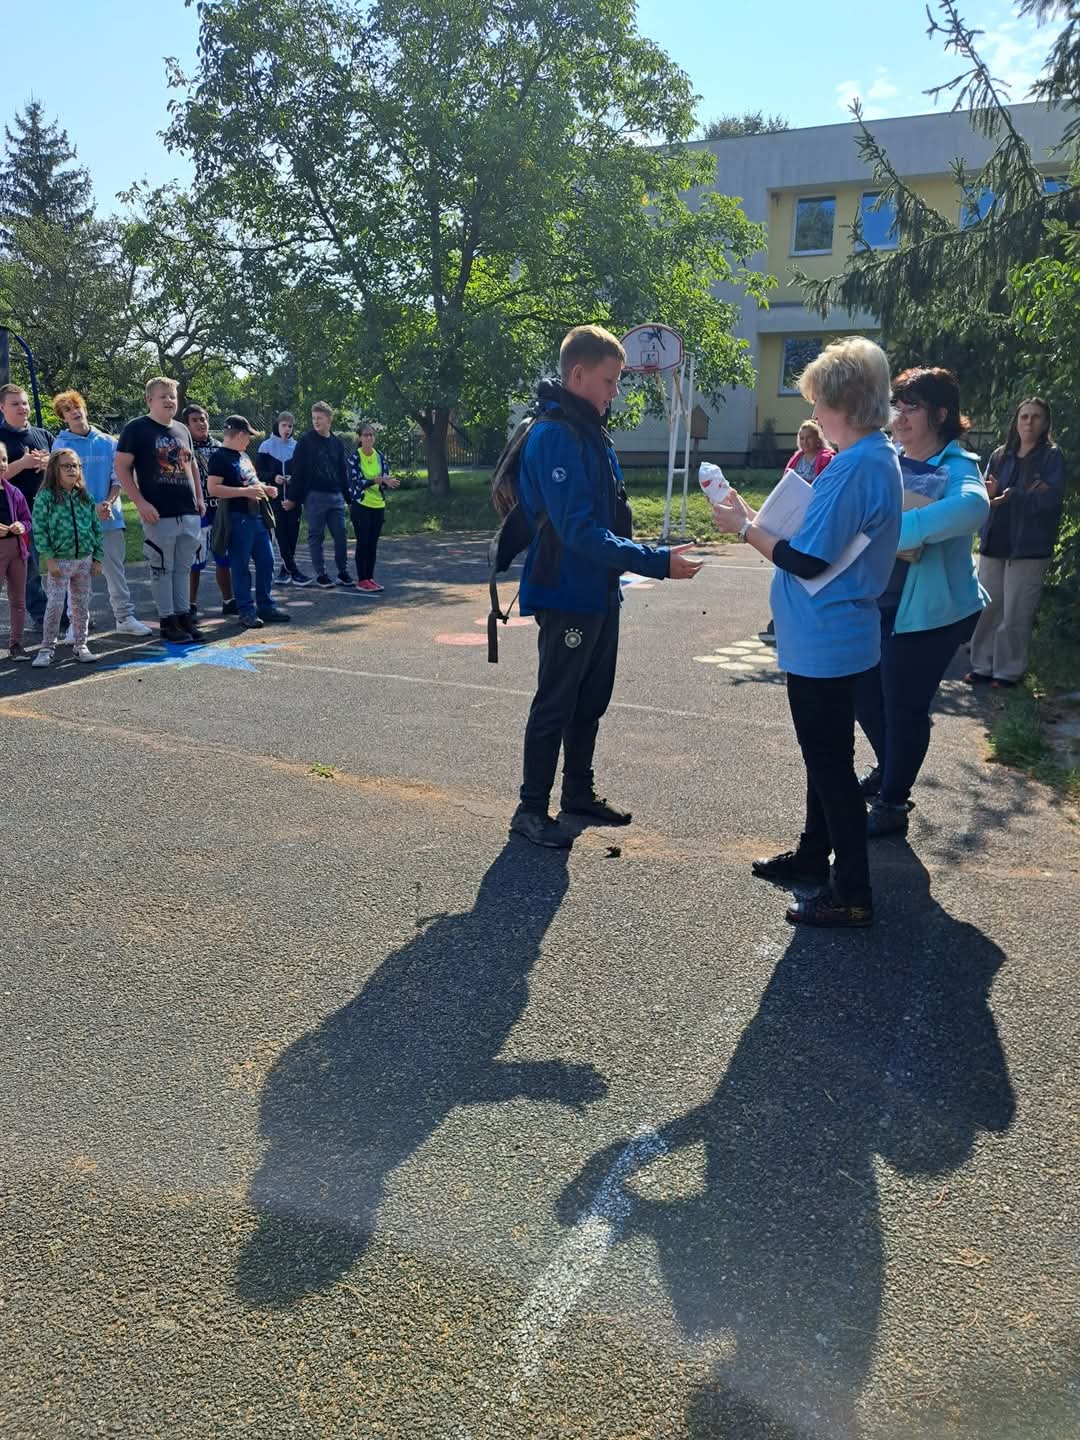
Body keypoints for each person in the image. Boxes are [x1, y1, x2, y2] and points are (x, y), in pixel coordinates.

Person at [712, 336, 902, 928]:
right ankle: (813, 857)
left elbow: (808, 560)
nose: (813, 412)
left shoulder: (852, 467)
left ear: (845, 402)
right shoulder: (875, 457)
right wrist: (757, 521)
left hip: (825, 637)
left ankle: (852, 892)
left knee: (829, 766)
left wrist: (744, 527)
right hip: (838, 634)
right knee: (829, 758)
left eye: (819, 400)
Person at [510, 324, 703, 849]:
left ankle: (577, 792)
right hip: (566, 590)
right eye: (609, 381)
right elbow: (577, 531)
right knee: (555, 701)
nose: (614, 392)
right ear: (578, 375)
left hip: (598, 590)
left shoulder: (589, 428)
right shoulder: (555, 435)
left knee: (591, 698)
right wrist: (655, 561)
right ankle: (530, 809)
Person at [854, 367, 989, 837]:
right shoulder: (889, 458)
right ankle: (891, 766)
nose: (900, 415)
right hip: (879, 603)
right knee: (864, 694)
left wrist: (900, 532)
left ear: (941, 414)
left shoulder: (958, 464)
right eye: (897, 404)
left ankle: (893, 802)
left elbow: (974, 507)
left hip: (933, 613)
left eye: (913, 406)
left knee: (903, 705)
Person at [967, 396, 1065, 689]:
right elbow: (984, 492)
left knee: (1016, 613)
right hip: (995, 541)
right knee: (987, 609)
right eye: (1024, 416)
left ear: (1045, 423)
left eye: (1036, 417)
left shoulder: (1051, 457)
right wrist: (1005, 494)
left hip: (1029, 547)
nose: (1029, 422)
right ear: (1016, 421)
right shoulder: (1001, 454)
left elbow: (1050, 500)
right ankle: (982, 666)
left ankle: (1007, 672)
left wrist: (1012, 495)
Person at [51, 390, 153, 640]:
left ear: (84, 409)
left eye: (77, 407)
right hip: (76, 523)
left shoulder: (108, 442)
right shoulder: (60, 445)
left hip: (109, 518)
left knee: (115, 573)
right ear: (64, 418)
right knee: (77, 576)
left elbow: (118, 477)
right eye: (67, 410)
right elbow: (62, 484)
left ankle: (124, 618)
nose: (74, 412)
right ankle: (77, 624)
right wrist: (90, 508)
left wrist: (107, 502)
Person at [116, 378, 206, 644]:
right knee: (162, 568)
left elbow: (192, 465)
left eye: (173, 396)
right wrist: (140, 503)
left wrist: (199, 497)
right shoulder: (136, 428)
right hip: (159, 511)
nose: (169, 400)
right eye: (163, 396)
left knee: (183, 568)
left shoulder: (182, 429)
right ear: (149, 400)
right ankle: (167, 621)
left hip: (187, 510)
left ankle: (183, 616)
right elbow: (121, 467)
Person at [206, 415, 291, 630]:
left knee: (267, 561)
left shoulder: (243, 455)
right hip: (237, 517)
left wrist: (265, 488)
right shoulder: (219, 457)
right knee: (240, 565)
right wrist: (245, 492)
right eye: (248, 436)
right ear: (239, 435)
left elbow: (251, 481)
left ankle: (266, 606)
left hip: (257, 515)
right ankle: (246, 610)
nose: (249, 441)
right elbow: (213, 488)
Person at [760, 421, 837, 644]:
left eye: (808, 437)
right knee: (787, 558)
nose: (804, 442)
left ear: (818, 438)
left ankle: (807, 607)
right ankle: (786, 606)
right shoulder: (796, 458)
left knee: (806, 561)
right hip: (793, 514)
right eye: (801, 438)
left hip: (812, 515)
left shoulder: (827, 458)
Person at [30, 448, 103, 667]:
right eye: (67, 466)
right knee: (54, 605)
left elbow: (95, 528)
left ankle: (81, 645)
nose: (72, 470)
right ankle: (47, 648)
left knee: (81, 605)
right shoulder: (46, 497)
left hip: (84, 560)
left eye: (76, 466)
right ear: (55, 469)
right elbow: (39, 529)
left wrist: (98, 557)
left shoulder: (85, 497)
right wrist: (49, 558)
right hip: (59, 561)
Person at [0, 382, 53, 627]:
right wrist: (22, 464)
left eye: (25, 402)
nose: (22, 407)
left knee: (63, 564)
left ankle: (66, 614)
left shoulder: (44, 435)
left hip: (50, 512)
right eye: (15, 404)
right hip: (18, 517)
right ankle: (41, 616)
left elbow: (67, 469)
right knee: (30, 569)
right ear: (2, 407)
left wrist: (49, 465)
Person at [285, 402, 352, 589]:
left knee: (341, 534)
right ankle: (321, 574)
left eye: (319, 418)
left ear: (329, 419)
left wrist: (348, 498)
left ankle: (343, 572)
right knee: (316, 535)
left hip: (336, 496)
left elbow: (342, 472)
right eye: (313, 418)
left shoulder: (336, 443)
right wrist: (293, 498)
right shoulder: (306, 441)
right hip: (314, 496)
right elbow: (297, 471)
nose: (316, 421)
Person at [182, 403, 236, 619]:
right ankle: (190, 604)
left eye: (203, 419)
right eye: (195, 420)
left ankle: (228, 601)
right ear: (186, 425)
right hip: (197, 512)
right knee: (195, 561)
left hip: (220, 511)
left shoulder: (220, 448)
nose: (201, 423)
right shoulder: (183, 448)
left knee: (224, 558)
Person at [257, 411, 310, 587]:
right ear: (277, 426)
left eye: (290, 426)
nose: (287, 429)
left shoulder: (297, 447)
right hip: (274, 500)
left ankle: (284, 572)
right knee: (281, 536)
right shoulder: (266, 446)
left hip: (294, 501)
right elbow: (259, 473)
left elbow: (303, 475)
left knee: (292, 536)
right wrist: (274, 477)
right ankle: (295, 572)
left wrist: (293, 484)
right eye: (284, 425)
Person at [347, 422, 400, 594]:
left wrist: (387, 482)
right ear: (359, 438)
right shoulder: (355, 457)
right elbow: (354, 482)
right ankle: (362, 579)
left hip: (378, 504)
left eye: (371, 435)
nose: (369, 438)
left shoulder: (379, 456)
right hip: (361, 505)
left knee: (372, 543)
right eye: (365, 435)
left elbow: (384, 477)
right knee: (363, 542)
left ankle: (370, 578)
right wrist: (373, 481)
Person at [0, 442, 33, 660]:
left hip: (17, 551)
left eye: (4, 459)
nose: (2, 464)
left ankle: (17, 645)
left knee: (18, 600)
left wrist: (22, 526)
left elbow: (27, 520)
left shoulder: (13, 492)